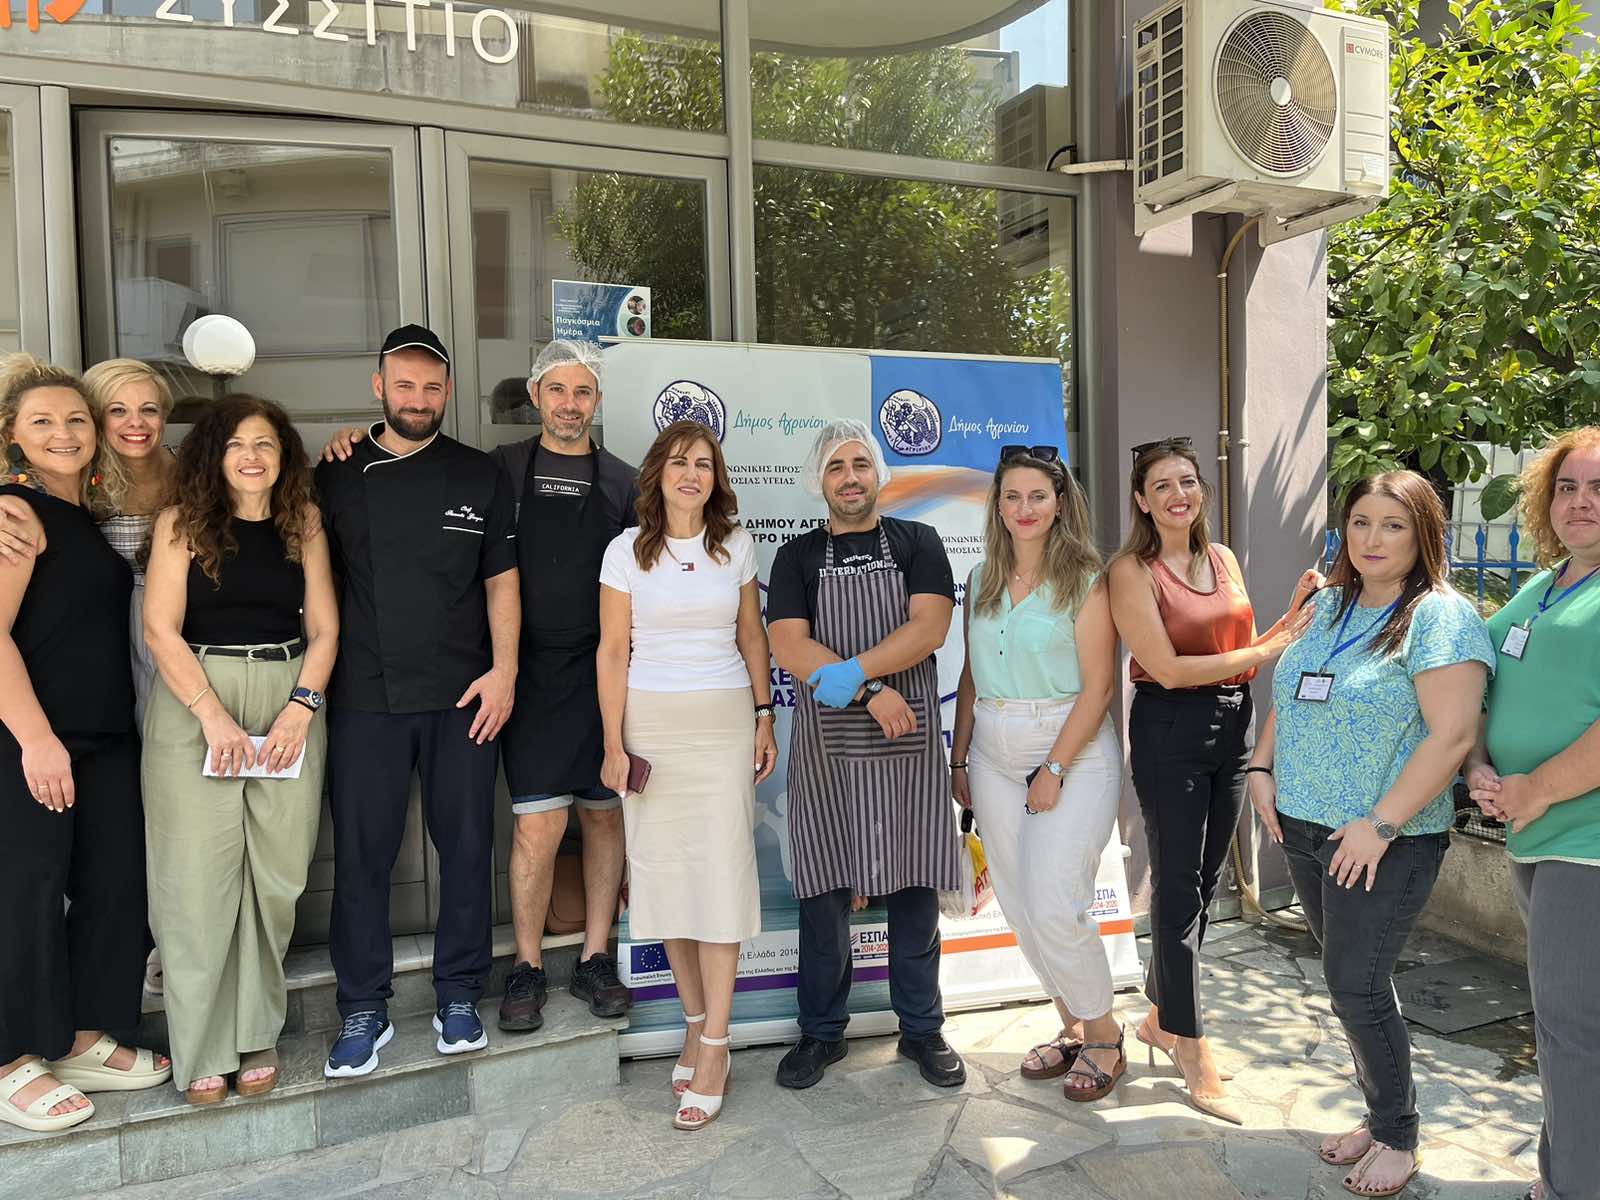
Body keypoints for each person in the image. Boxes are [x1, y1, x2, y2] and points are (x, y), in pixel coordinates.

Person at [321, 339, 638, 1031]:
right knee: (534, 826)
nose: (570, 404)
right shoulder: (499, 468)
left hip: (595, 671)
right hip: (504, 678)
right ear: (535, 397)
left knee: (601, 815)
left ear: (598, 400)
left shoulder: (621, 481)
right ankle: (519, 967)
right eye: (558, 390)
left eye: (583, 391)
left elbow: (634, 580)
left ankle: (588, 959)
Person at [1248, 470, 1491, 1199]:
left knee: (1355, 986)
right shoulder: (1329, 603)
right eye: (1360, 522)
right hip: (1305, 826)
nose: (1372, 538)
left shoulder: (1440, 617)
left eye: (1392, 524)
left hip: (1384, 841)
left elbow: (1452, 736)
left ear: (1424, 533)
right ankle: (1380, 1112)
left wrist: (1380, 824)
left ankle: (1398, 1133)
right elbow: (1294, 689)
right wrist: (1261, 765)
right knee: (1350, 983)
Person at [315, 325, 519, 1077]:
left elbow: (501, 580)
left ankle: (460, 993)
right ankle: (362, 1005)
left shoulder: (479, 473)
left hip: (463, 693)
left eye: (432, 387)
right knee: (362, 855)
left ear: (448, 392)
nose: (418, 398)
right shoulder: (334, 472)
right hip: (364, 693)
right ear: (379, 387)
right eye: (404, 384)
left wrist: (504, 672)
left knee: (466, 848)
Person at [1107, 436, 1317, 1123]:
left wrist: (1293, 614)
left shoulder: (1222, 558)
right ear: (1142, 501)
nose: (1178, 495)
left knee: (1204, 879)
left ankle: (1160, 1017)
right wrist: (1266, 648)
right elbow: (1167, 668)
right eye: (1162, 486)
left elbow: (1245, 652)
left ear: (1203, 490)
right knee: (1177, 885)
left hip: (1232, 720)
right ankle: (1191, 1045)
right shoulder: (1131, 571)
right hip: (1170, 726)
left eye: (1187, 482)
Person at [141, 395, 338, 1105]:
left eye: (265, 444)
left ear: (284, 457)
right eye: (235, 445)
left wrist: (301, 707)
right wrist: (213, 717)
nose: (251, 457)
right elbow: (159, 629)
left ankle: (256, 1032)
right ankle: (202, 1046)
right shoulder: (180, 524)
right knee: (196, 880)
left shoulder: (302, 522)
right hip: (197, 697)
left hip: (288, 694)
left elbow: (325, 628)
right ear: (212, 456)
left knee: (276, 876)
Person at [766, 419, 964, 1091]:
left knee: (914, 891)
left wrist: (849, 673)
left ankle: (922, 1030)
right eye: (835, 467)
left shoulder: (918, 542)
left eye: (859, 464)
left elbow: (930, 627)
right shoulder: (796, 557)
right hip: (828, 748)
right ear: (817, 481)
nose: (849, 477)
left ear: (878, 473)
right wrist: (871, 689)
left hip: (906, 742)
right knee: (824, 894)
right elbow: (789, 646)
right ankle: (821, 1033)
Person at [0, 363, 170, 1134]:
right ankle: (12, 1057)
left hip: (104, 735)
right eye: (42, 421)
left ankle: (77, 1038)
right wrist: (35, 739)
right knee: (27, 892)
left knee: (115, 882)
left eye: (75, 420)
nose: (63, 434)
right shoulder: (17, 512)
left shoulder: (84, 516)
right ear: (13, 436)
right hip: (35, 738)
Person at [596, 420, 777, 1131]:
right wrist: (612, 741)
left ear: (716, 478)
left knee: (720, 876)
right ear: (658, 474)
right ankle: (695, 1024)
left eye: (703, 463)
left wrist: (763, 716)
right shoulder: (623, 551)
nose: (691, 474)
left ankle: (718, 1046)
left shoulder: (736, 545)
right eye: (678, 462)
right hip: (650, 727)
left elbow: (752, 635)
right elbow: (613, 650)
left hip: (723, 723)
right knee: (667, 878)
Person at [949, 445, 1126, 1102]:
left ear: (1059, 504)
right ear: (997, 506)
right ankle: (1072, 1024)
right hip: (992, 751)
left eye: (1037, 497)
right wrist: (960, 757)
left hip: (1069, 747)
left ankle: (1105, 1036)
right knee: (1022, 906)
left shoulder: (1087, 579)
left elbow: (1100, 688)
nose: (1024, 508)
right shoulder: (981, 577)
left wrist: (1054, 766)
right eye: (1012, 496)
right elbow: (971, 676)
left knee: (1056, 902)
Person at [1465, 428, 1600, 1200]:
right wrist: (1479, 765)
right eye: (1568, 487)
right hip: (1536, 833)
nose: (1581, 502)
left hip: (1586, 837)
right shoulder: (1545, 585)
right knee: (1564, 1024)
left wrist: (1538, 787)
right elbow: (1489, 681)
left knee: (1573, 1030)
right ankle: (1563, 1174)